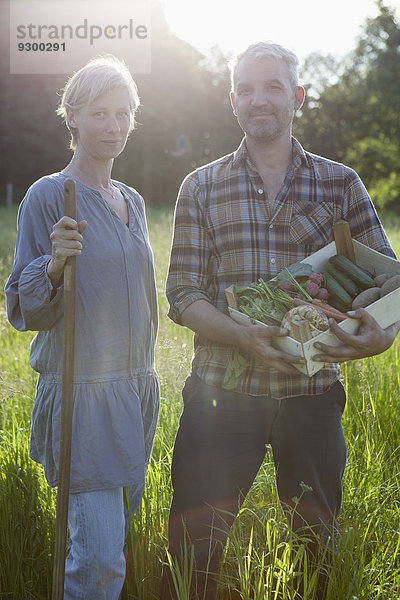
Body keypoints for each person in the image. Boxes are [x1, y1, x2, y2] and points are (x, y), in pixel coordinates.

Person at [160, 42, 400, 599]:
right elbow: (181, 293)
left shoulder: (339, 183)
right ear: (232, 101)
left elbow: (390, 281)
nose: (257, 99)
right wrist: (240, 333)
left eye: (271, 86)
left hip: (311, 392)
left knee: (318, 547)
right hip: (222, 392)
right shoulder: (201, 185)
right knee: (197, 546)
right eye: (244, 89)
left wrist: (378, 339)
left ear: (296, 96)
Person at [5, 55, 160, 599]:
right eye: (100, 113)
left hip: (135, 390)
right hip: (82, 396)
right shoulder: (49, 195)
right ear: (72, 117)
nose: (114, 126)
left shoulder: (133, 203)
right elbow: (23, 311)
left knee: (115, 546)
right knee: (97, 560)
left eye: (124, 114)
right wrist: (51, 266)